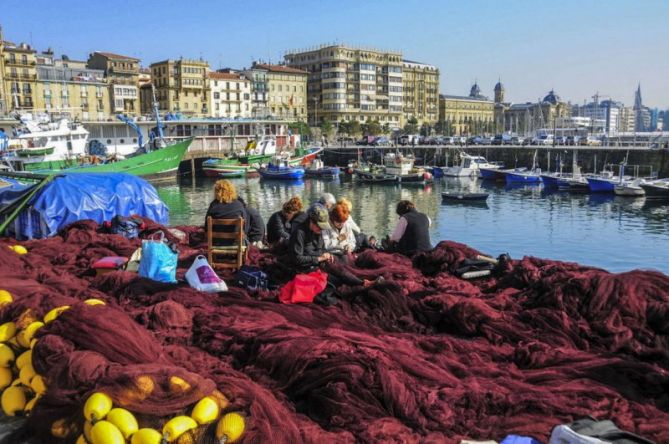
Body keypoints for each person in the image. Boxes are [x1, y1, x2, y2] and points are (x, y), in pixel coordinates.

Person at [288, 204, 373, 288]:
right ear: (311, 221)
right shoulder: (299, 233)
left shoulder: (318, 231)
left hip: (317, 263)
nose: (322, 229)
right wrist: (319, 258)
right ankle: (361, 284)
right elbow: (297, 259)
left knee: (339, 268)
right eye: (320, 227)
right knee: (336, 281)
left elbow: (320, 249)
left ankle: (362, 283)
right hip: (304, 268)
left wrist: (326, 254)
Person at [205, 180, 247, 245]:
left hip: (217, 243)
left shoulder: (213, 205)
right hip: (236, 243)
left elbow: (206, 227)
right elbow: (245, 225)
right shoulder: (239, 205)